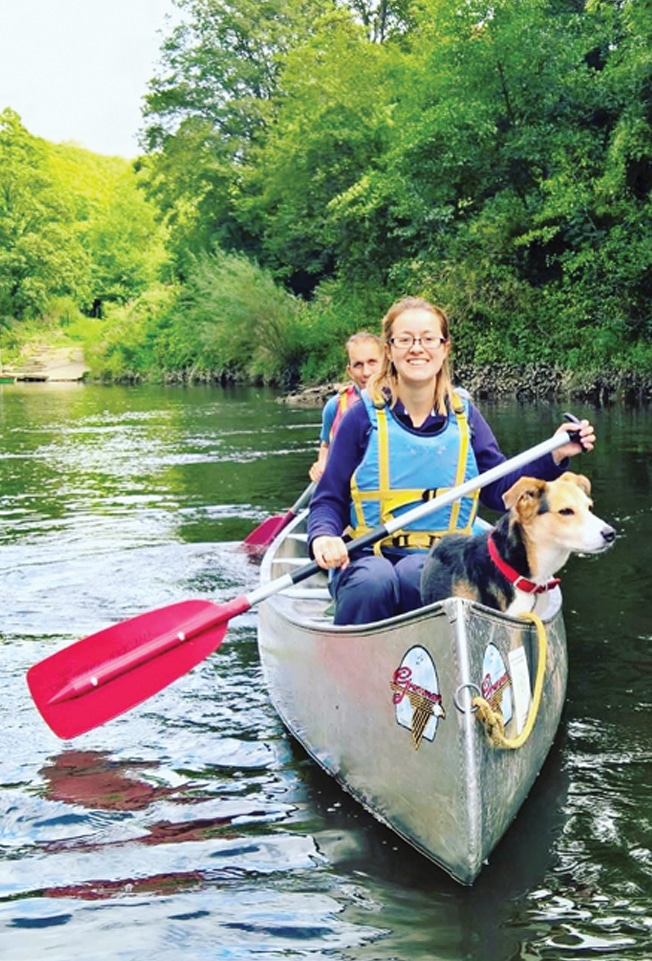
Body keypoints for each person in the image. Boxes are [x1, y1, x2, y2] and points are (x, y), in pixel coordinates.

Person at [308, 296, 596, 626]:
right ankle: (356, 668)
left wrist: (554, 454)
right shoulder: (360, 418)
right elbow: (328, 499)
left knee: (417, 573)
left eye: (429, 339)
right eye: (405, 339)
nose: (417, 348)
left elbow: (498, 490)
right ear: (389, 350)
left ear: (444, 348)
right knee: (373, 583)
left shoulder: (465, 417)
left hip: (441, 556)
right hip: (367, 554)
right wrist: (323, 537)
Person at [309, 331, 383, 482]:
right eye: (358, 365)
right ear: (350, 371)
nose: (366, 372)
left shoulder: (404, 401)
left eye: (372, 362)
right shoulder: (334, 406)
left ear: (386, 363)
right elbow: (326, 446)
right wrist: (322, 463)